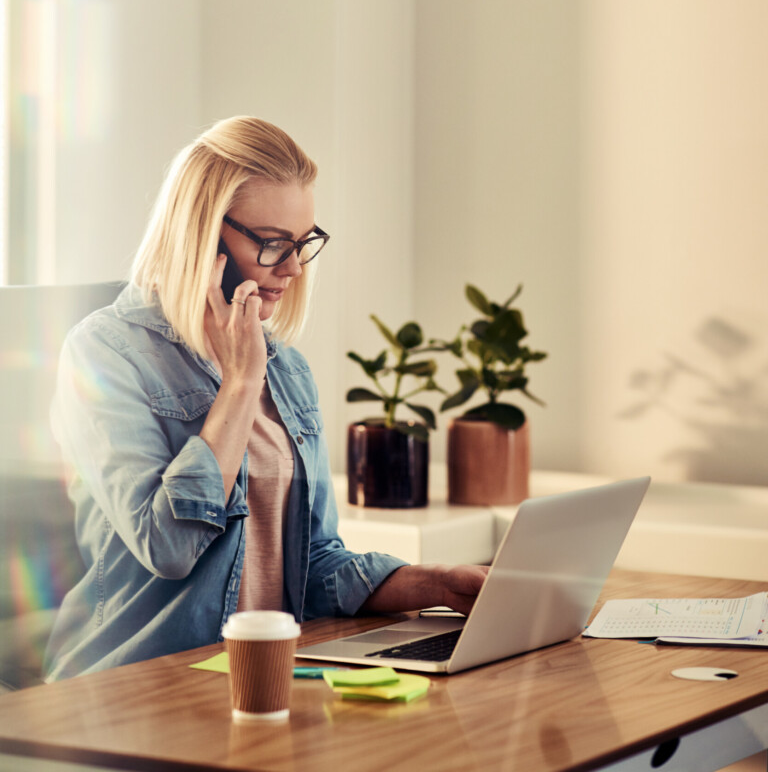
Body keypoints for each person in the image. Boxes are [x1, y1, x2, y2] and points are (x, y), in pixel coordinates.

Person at [44, 116, 487, 679]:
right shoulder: (104, 353)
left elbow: (314, 562)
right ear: (202, 235)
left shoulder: (288, 370)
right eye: (275, 244)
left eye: (303, 244)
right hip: (141, 682)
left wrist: (439, 582)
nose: (295, 269)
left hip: (261, 674)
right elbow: (169, 547)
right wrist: (239, 385)